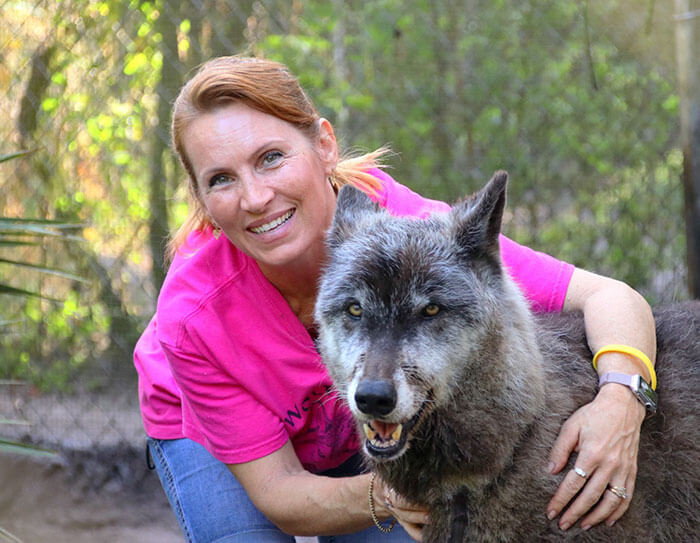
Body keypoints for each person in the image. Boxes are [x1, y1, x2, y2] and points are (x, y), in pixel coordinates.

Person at [133, 55, 657, 542]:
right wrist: (382, 495)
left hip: (378, 419)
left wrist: (620, 403)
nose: (254, 197)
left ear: (323, 146)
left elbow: (610, 297)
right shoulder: (193, 317)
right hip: (216, 437)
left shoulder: (415, 235)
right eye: (220, 179)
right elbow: (280, 493)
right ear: (200, 197)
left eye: (270, 158)